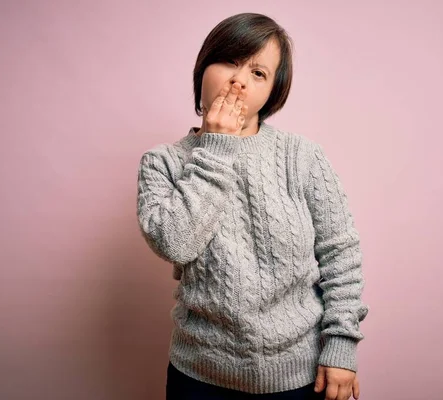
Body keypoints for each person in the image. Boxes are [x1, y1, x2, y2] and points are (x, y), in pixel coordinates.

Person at [137, 12, 369, 400]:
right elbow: (176, 244)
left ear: (272, 92)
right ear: (203, 68)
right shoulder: (162, 162)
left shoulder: (303, 157)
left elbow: (340, 254)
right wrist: (217, 149)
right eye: (229, 61)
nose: (239, 80)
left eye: (258, 73)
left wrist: (342, 348)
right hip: (199, 376)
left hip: (300, 376)